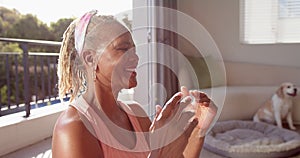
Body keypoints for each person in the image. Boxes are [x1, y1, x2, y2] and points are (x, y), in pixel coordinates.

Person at [52, 10, 217, 158]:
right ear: (91, 58)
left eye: (134, 49)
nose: (136, 57)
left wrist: (197, 129)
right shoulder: (74, 128)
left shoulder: (137, 114)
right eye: (123, 49)